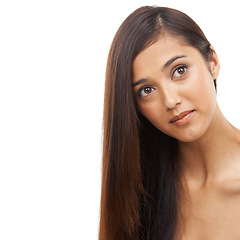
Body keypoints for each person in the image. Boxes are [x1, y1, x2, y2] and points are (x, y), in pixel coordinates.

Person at [99, 6, 240, 240]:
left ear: (212, 62)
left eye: (179, 70)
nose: (171, 100)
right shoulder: (141, 195)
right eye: (147, 90)